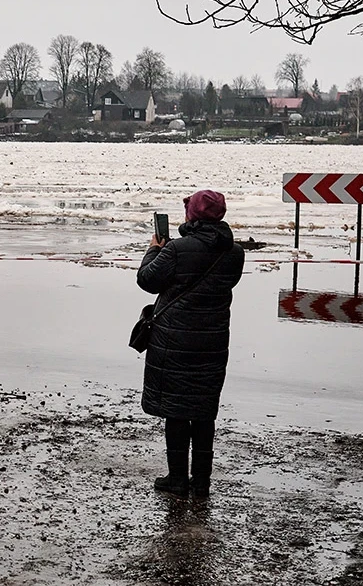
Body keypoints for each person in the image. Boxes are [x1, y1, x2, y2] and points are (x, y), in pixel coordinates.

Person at [136, 190, 245, 498]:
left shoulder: (177, 250)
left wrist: (154, 250)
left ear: (192, 215)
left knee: (176, 411)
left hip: (174, 341)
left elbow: (147, 280)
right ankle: (201, 482)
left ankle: (177, 479)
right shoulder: (234, 253)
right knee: (203, 411)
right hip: (212, 342)